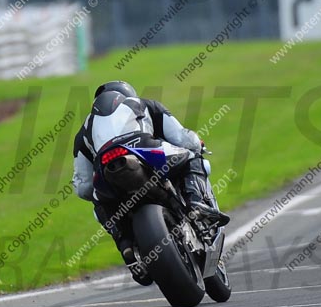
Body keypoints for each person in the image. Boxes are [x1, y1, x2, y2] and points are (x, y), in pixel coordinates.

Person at [72, 81, 230, 273]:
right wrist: (198, 144)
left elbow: (84, 186)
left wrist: (96, 193)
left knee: (100, 204)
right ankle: (196, 203)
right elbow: (181, 137)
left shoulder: (83, 131)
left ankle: (126, 246)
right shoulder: (144, 103)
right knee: (191, 157)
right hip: (145, 148)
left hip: (106, 168)